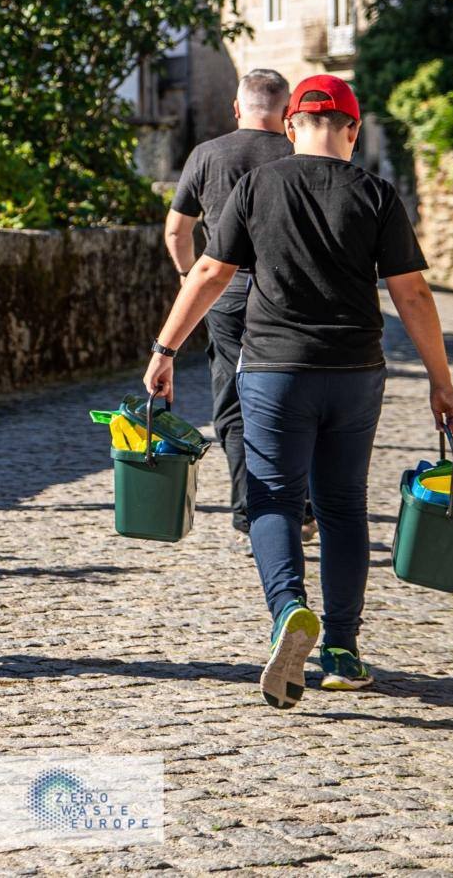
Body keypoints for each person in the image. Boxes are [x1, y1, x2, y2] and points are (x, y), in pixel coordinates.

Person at [142, 74, 453, 709]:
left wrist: (166, 348)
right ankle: (342, 651)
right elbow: (413, 295)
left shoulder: (258, 185)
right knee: (342, 507)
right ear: (353, 127)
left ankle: (289, 608)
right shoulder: (376, 194)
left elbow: (208, 270)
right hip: (354, 373)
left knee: (272, 499)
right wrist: (440, 380)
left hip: (273, 371)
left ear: (291, 127)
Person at [164, 68, 298, 551]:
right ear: (286, 113)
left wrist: (188, 281)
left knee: (234, 405)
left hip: (224, 297)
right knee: (291, 399)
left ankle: (248, 511)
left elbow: (177, 233)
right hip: (287, 297)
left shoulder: (208, 155)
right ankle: (298, 506)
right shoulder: (297, 153)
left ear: (238, 108)